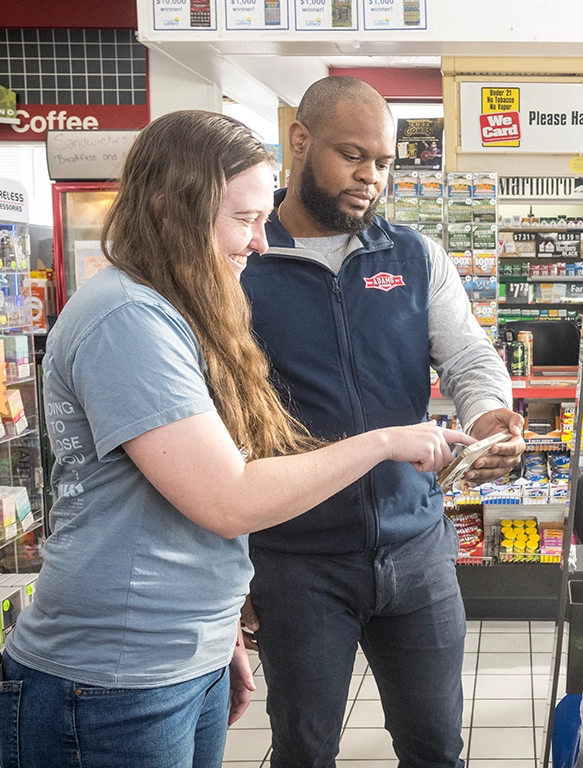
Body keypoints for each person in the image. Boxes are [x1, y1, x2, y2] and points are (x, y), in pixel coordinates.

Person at [0, 110, 472, 768]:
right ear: (173, 213)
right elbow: (228, 496)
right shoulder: (127, 317)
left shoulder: (180, 313)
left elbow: (184, 500)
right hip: (113, 677)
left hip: (176, 654)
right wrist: (384, 442)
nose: (258, 242)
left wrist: (218, 623)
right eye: (245, 220)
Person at [238, 76, 525, 768]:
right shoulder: (243, 260)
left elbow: (467, 353)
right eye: (352, 155)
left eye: (385, 162)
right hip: (297, 559)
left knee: (435, 748)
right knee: (304, 752)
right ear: (299, 143)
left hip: (415, 547)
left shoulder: (415, 256)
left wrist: (488, 414)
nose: (371, 177)